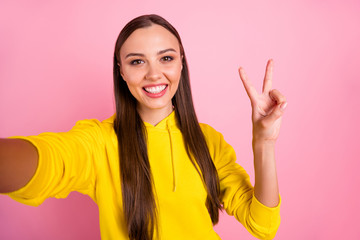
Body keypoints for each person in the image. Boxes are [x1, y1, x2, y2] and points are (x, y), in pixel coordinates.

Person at [0, 14, 287, 240]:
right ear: (121, 71)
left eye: (166, 58)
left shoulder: (208, 141)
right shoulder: (100, 141)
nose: (153, 74)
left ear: (181, 64)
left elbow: (263, 226)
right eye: (137, 61)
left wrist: (264, 142)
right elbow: (52, 159)